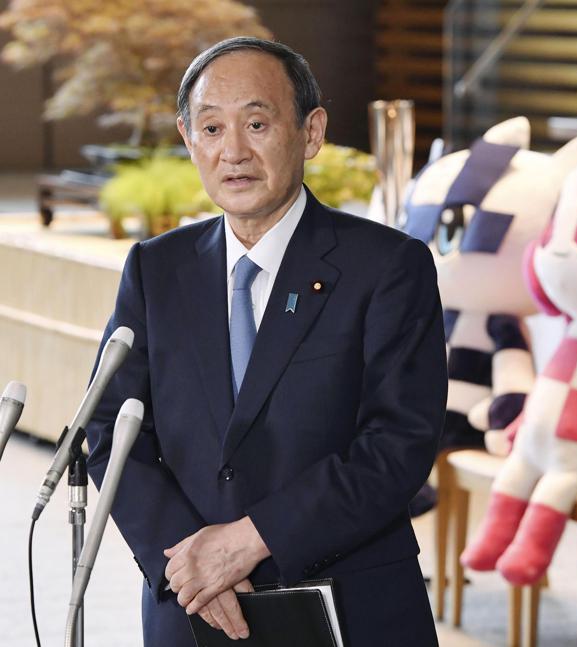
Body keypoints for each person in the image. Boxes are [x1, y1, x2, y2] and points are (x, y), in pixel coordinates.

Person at [85, 36, 447, 647]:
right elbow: (111, 434)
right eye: (210, 128)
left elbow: (397, 445)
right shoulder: (156, 269)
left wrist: (250, 540)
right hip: (194, 608)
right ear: (186, 138)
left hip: (351, 607)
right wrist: (191, 567)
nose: (234, 152)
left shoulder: (388, 266)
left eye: (257, 123)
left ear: (310, 132)